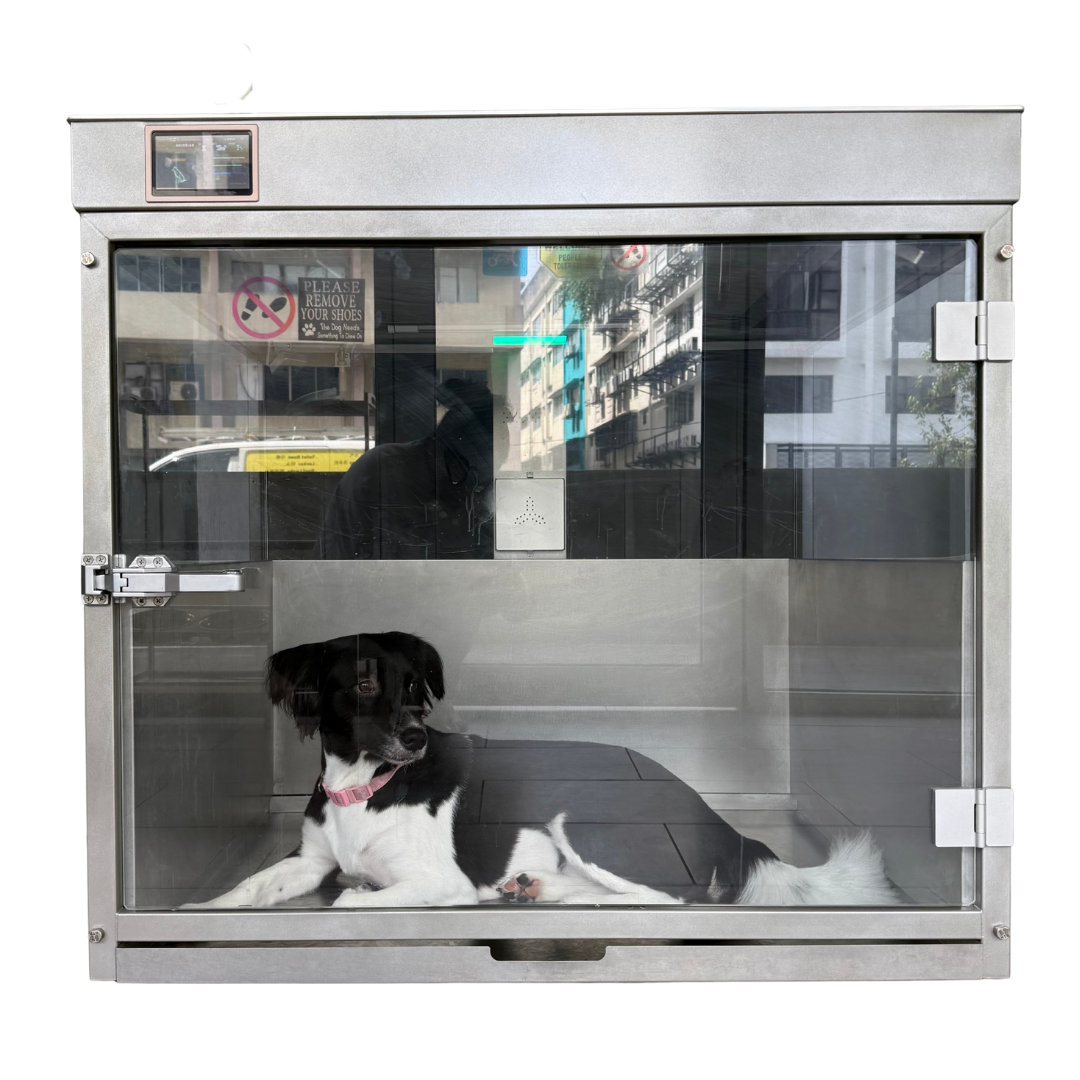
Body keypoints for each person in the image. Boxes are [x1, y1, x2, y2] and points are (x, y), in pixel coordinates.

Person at [316, 378, 502, 560]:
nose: (482, 483)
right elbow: (339, 557)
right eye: (480, 468)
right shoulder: (385, 469)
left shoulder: (477, 493)